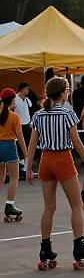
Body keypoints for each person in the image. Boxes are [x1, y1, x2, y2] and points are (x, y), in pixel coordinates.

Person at [26, 77, 84, 270]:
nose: (68, 92)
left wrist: (28, 166)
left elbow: (32, 143)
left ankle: (45, 249)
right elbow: (76, 141)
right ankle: (79, 246)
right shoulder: (68, 114)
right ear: (62, 93)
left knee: (49, 207)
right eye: (67, 89)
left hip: (45, 160)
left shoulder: (39, 115)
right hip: (63, 158)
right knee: (76, 205)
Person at [0, 88, 27, 222]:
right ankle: (9, 206)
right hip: (9, 146)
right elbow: (20, 137)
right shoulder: (14, 117)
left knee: (0, 177)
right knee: (14, 178)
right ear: (12, 100)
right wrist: (26, 153)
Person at [14, 82, 32, 177]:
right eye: (26, 89)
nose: (28, 90)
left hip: (27, 125)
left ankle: (26, 165)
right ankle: (21, 167)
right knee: (20, 146)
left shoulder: (27, 100)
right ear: (21, 89)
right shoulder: (15, 99)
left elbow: (30, 107)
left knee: (28, 145)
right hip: (19, 125)